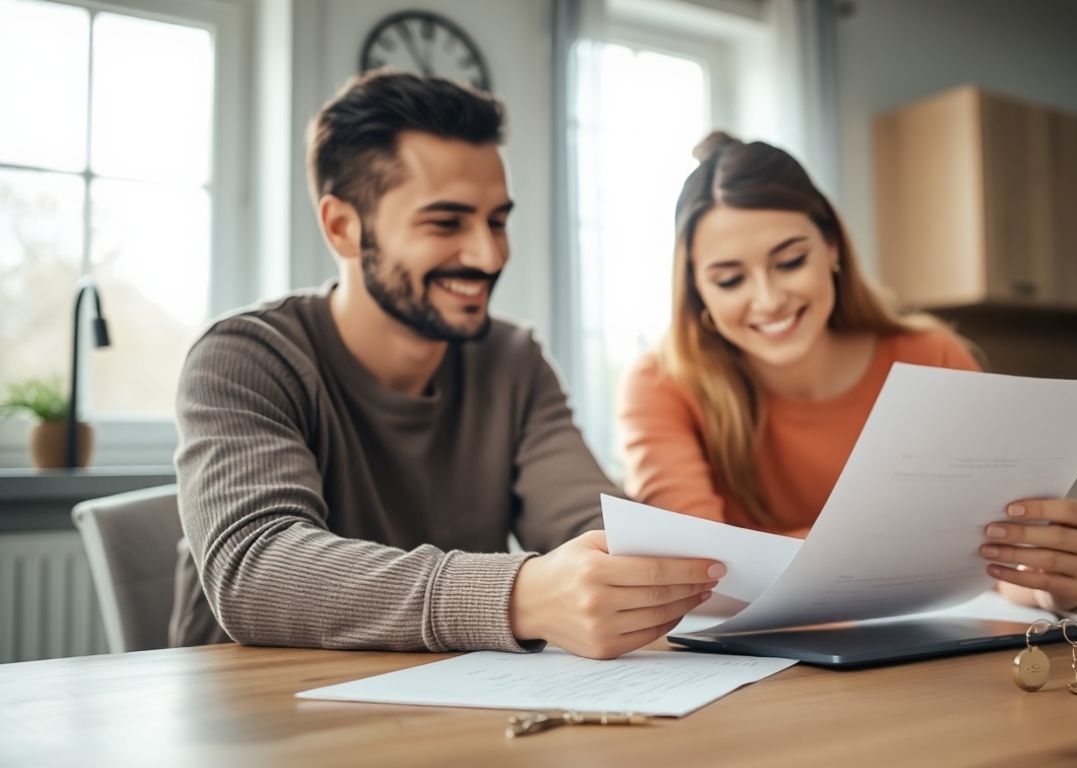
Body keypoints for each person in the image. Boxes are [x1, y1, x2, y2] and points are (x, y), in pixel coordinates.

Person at [170, 71, 723, 660]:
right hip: (259, 717)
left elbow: (587, 520)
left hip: (447, 714)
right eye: (446, 223)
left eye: (497, 221)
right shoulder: (243, 358)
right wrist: (519, 596)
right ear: (343, 227)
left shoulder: (513, 362)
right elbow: (256, 568)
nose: (489, 255)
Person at [618, 132, 1077, 614]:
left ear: (832, 246)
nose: (768, 300)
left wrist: (1052, 582)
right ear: (697, 289)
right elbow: (688, 574)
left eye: (790, 261)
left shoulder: (933, 356)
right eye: (729, 279)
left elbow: (997, 558)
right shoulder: (658, 385)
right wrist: (903, 544)